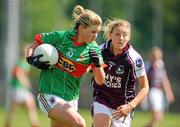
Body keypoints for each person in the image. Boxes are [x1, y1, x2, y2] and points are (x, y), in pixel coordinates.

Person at [26, 5, 105, 127]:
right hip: (49, 94)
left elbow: (100, 81)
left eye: (97, 32)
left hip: (71, 99)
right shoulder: (61, 37)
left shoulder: (93, 48)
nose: (95, 36)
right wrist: (30, 58)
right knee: (79, 123)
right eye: (93, 32)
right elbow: (35, 43)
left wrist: (97, 65)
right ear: (81, 28)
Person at [91, 19, 149, 127]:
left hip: (123, 106)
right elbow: (86, 69)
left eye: (125, 35)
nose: (121, 38)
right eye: (117, 34)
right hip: (102, 98)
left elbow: (145, 87)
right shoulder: (100, 51)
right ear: (110, 35)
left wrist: (130, 106)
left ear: (129, 37)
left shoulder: (134, 59)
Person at [4, 46, 40, 127]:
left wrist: (26, 83)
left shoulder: (27, 63)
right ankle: (7, 123)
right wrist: (24, 82)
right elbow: (17, 72)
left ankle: (34, 124)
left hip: (23, 89)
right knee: (13, 109)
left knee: (30, 105)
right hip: (17, 88)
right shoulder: (20, 62)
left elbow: (23, 75)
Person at [144, 47, 175, 127]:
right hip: (151, 91)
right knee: (156, 117)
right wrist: (144, 96)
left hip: (159, 92)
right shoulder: (147, 65)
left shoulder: (160, 64)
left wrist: (169, 92)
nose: (157, 59)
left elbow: (164, 80)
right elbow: (144, 81)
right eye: (155, 57)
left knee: (159, 117)